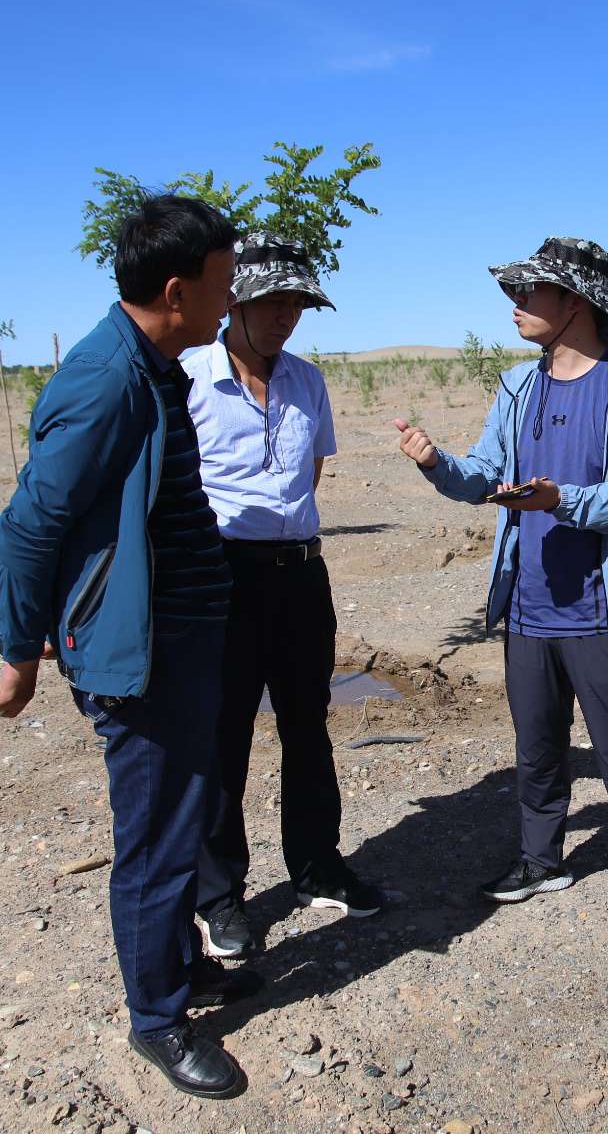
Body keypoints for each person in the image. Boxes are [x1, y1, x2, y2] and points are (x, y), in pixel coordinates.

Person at [0, 195, 261, 1100]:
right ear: (178, 290)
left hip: (181, 642)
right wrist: (15, 648)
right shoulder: (106, 378)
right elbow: (32, 522)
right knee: (154, 835)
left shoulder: (153, 365)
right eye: (223, 286)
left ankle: (182, 967)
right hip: (139, 654)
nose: (230, 305)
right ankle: (158, 1018)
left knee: (183, 816)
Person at [395, 237, 608, 953]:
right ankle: (541, 861)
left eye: (530, 293)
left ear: (575, 302)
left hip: (600, 613)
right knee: (537, 750)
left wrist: (563, 501)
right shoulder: (519, 387)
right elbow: (486, 472)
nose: (515, 306)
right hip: (527, 607)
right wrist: (438, 465)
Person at [184, 233, 383, 960]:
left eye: (298, 303)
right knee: (224, 735)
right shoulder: (187, 380)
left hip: (300, 576)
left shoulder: (307, 381)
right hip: (221, 580)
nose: (286, 316)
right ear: (233, 298)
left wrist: (284, 545)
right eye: (272, 301)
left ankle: (316, 867)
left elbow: (310, 476)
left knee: (307, 725)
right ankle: (219, 896)